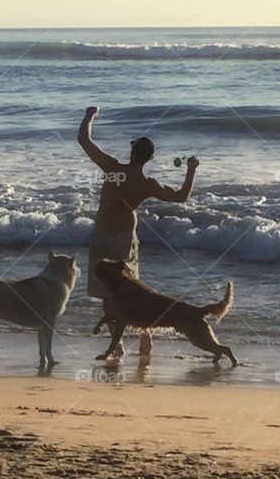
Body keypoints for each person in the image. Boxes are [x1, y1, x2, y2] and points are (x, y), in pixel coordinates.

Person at [77, 106, 198, 358]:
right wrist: (191, 170)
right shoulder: (147, 184)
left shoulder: (112, 168)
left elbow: (84, 140)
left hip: (102, 235)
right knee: (135, 291)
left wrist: (90, 116)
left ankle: (117, 343)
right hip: (124, 238)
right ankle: (146, 337)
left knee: (108, 293)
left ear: (131, 152)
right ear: (149, 159)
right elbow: (182, 196)